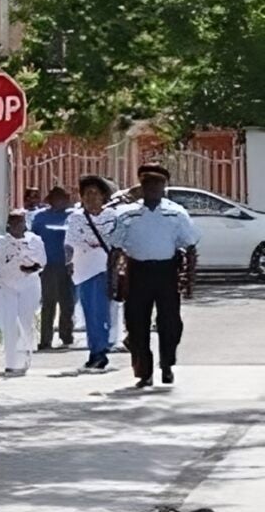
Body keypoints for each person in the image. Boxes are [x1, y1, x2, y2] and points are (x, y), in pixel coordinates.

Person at [108, 163, 200, 388]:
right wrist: (111, 279)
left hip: (166, 272)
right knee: (136, 323)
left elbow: (190, 246)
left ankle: (167, 364)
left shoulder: (176, 213)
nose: (153, 189)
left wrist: (190, 281)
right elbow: (116, 248)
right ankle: (143, 371)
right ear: (141, 186)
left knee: (170, 323)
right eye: (148, 184)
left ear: (164, 187)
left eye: (157, 184)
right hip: (137, 272)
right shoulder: (126, 214)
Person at [64, 175, 118, 371]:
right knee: (90, 312)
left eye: (95, 193)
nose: (91, 198)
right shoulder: (76, 218)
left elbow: (116, 243)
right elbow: (70, 243)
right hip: (84, 270)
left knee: (104, 311)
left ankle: (102, 349)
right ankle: (96, 350)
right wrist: (68, 262)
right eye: (87, 194)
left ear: (103, 196)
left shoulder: (112, 216)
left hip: (106, 269)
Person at [0, 210, 46, 376]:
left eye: (20, 222)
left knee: (26, 320)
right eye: (13, 223)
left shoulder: (35, 241)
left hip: (29, 285)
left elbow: (41, 263)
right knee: (9, 323)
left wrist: (30, 268)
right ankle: (12, 362)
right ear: (8, 225)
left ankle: (25, 355)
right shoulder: (0, 243)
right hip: (6, 286)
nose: (17, 226)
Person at [30, 187, 75, 350]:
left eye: (62, 198)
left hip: (68, 265)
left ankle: (66, 335)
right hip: (48, 265)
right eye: (56, 198)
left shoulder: (73, 217)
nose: (60, 201)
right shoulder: (40, 218)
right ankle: (45, 339)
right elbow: (32, 239)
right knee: (48, 302)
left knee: (67, 302)